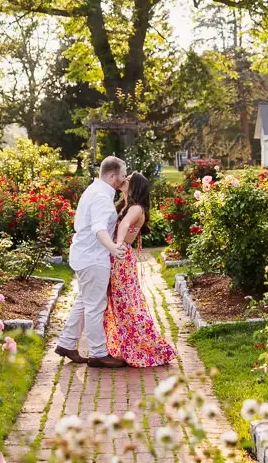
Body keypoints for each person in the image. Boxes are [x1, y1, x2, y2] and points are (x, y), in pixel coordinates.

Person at [55, 156, 129, 368]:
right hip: (93, 258)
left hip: (85, 256)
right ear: (112, 176)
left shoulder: (95, 190)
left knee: (84, 301)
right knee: (96, 306)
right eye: (123, 175)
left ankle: (67, 343)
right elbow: (99, 228)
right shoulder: (101, 197)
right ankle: (98, 353)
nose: (124, 180)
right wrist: (113, 247)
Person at [103, 172, 177, 367]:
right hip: (116, 255)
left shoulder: (136, 208)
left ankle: (150, 347)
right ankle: (123, 345)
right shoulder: (125, 205)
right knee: (117, 303)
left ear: (135, 186)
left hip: (121, 257)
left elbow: (125, 225)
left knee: (127, 304)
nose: (124, 179)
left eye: (128, 179)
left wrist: (118, 245)